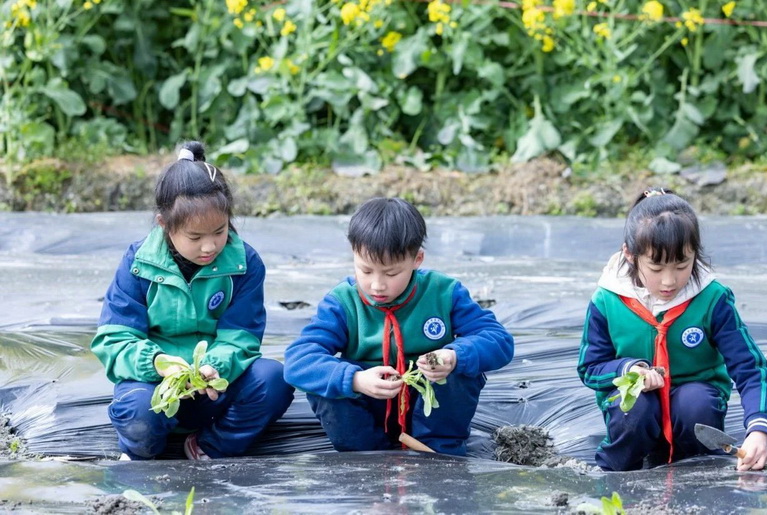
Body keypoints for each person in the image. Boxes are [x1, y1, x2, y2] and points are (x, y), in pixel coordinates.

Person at [91, 141, 294, 460]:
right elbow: (114, 339)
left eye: (219, 231)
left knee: (274, 380)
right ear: (165, 225)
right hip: (154, 386)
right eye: (195, 237)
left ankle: (208, 446)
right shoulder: (138, 264)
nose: (209, 246)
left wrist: (214, 367)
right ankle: (143, 453)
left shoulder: (245, 264)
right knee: (138, 412)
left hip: (215, 387)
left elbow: (241, 338)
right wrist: (158, 364)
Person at [283, 197, 514, 455]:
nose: (377, 285)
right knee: (325, 381)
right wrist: (355, 380)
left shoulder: (444, 293)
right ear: (354, 255)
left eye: (391, 273)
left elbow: (498, 340)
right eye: (365, 271)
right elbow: (297, 361)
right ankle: (366, 457)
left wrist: (454, 356)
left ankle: (439, 452)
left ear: (417, 259)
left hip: (431, 414)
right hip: (366, 417)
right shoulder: (342, 302)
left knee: (462, 366)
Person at [577, 188, 767, 472]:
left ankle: (698, 470)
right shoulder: (607, 300)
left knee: (694, 403)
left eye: (682, 265)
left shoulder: (712, 299)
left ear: (695, 254)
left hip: (694, 408)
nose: (669, 281)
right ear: (630, 255)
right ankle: (616, 471)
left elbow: (752, 369)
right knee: (635, 407)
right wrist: (628, 370)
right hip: (636, 414)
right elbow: (590, 368)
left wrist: (759, 430)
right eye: (656, 268)